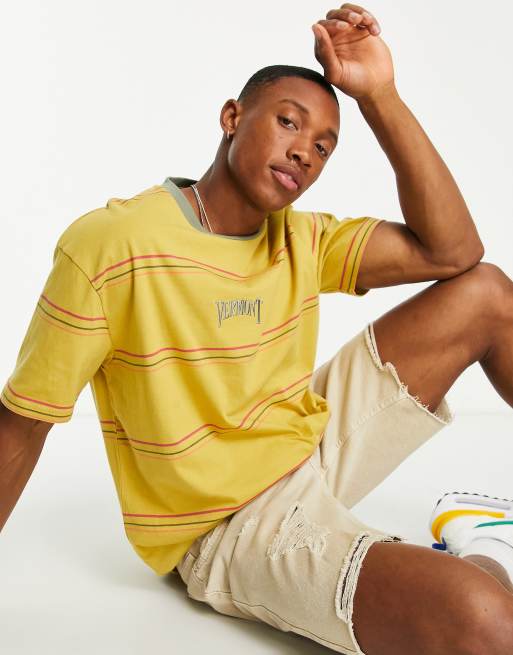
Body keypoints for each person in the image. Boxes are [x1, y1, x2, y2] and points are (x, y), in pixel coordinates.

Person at [1, 2, 513, 654]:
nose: (304, 150)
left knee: (486, 293)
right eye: (288, 122)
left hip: (307, 445)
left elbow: (454, 251)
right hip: (228, 525)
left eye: (323, 146)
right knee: (488, 620)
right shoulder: (113, 245)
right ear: (232, 118)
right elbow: (22, 425)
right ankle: (487, 542)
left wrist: (379, 96)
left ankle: (478, 544)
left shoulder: (302, 237)